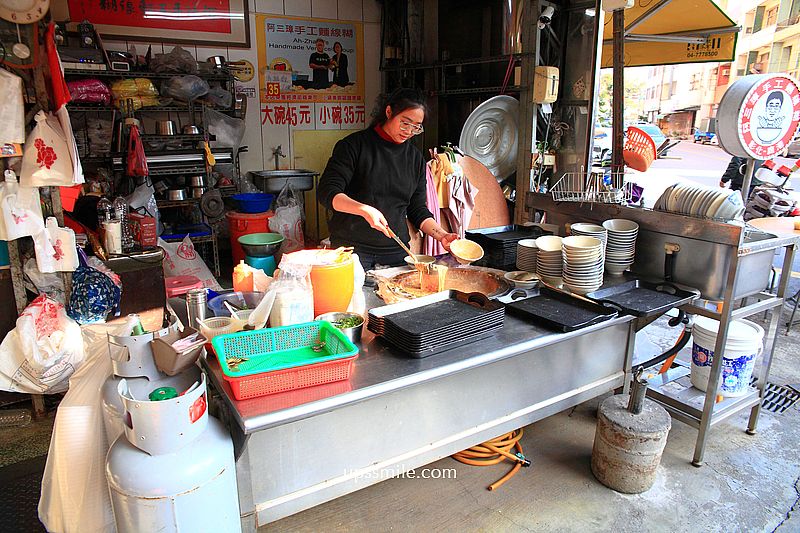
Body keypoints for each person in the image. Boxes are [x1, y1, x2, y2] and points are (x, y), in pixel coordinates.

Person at [317, 88, 457, 271]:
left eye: (416, 127)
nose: (409, 131)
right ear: (389, 112)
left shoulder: (414, 158)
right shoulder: (353, 146)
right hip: (351, 250)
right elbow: (327, 192)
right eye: (405, 123)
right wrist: (364, 210)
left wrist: (442, 235)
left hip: (397, 251)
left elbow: (417, 209)